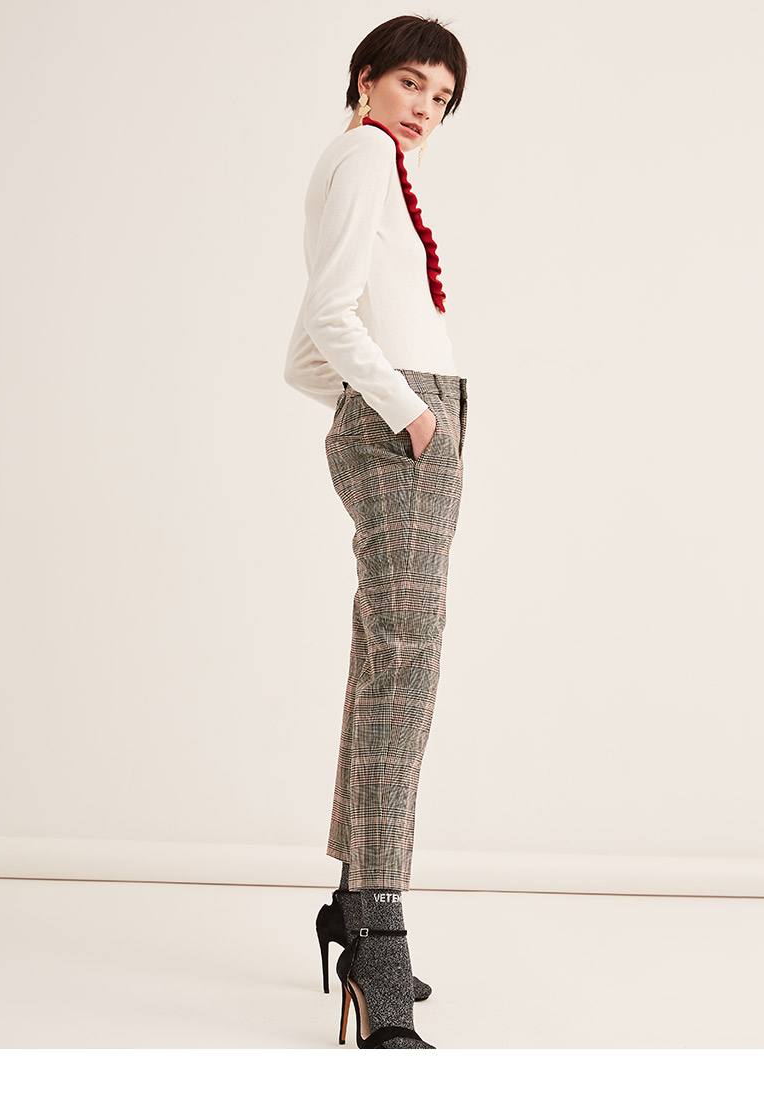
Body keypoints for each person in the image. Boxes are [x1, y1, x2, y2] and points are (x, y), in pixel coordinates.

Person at [283, 14, 469, 1049]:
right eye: (410, 83)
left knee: (386, 654)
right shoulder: (361, 155)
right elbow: (328, 315)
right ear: (365, 79)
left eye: (441, 98)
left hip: (413, 413)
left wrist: (386, 406)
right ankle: (379, 935)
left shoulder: (383, 170)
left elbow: (305, 353)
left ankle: (359, 901)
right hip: (409, 418)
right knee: (406, 660)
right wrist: (402, 410)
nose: (423, 108)